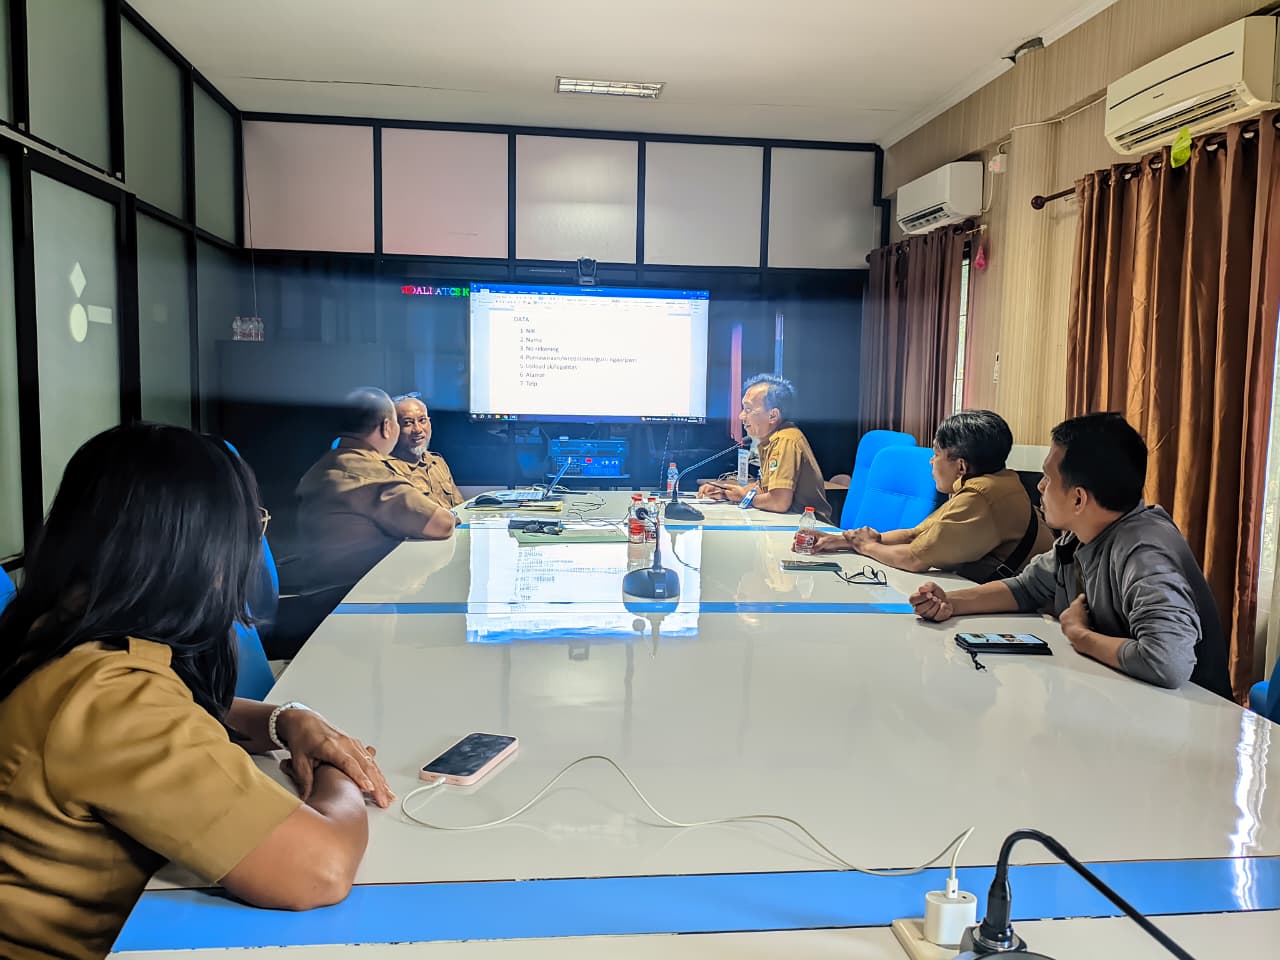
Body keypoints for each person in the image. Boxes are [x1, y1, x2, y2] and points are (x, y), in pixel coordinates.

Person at [0, 423, 393, 960]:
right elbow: (318, 870)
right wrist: (340, 770)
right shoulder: (114, 699)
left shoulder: (54, 632)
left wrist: (287, 720)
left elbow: (179, 706)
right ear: (203, 549)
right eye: (250, 526)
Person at [910, 412, 1233, 697]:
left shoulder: (1144, 552)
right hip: (1117, 699)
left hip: (1189, 719)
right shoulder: (1081, 537)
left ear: (1078, 499)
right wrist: (952, 603)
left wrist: (1080, 635)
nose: (1040, 487)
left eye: (1048, 478)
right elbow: (1026, 588)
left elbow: (1168, 661)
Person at [811, 410, 1052, 581]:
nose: (931, 461)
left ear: (960, 466)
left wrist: (866, 547)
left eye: (937, 454)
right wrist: (846, 540)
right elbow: (914, 535)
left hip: (1020, 613)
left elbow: (914, 559)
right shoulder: (999, 481)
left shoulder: (980, 497)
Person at [295, 387, 456, 589]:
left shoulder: (327, 464)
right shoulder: (366, 471)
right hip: (353, 597)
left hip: (332, 588)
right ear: (387, 427)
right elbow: (441, 524)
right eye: (403, 423)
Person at [697, 374, 832, 523]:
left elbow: (778, 502)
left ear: (773, 415)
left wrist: (742, 497)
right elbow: (763, 490)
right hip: (788, 524)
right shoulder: (772, 440)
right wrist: (724, 493)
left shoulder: (785, 440)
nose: (741, 416)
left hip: (808, 532)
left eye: (748, 409)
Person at [390, 393, 464, 508]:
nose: (418, 429)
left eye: (422, 420)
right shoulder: (388, 471)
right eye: (407, 423)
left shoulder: (437, 461)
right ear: (393, 428)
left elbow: (459, 507)